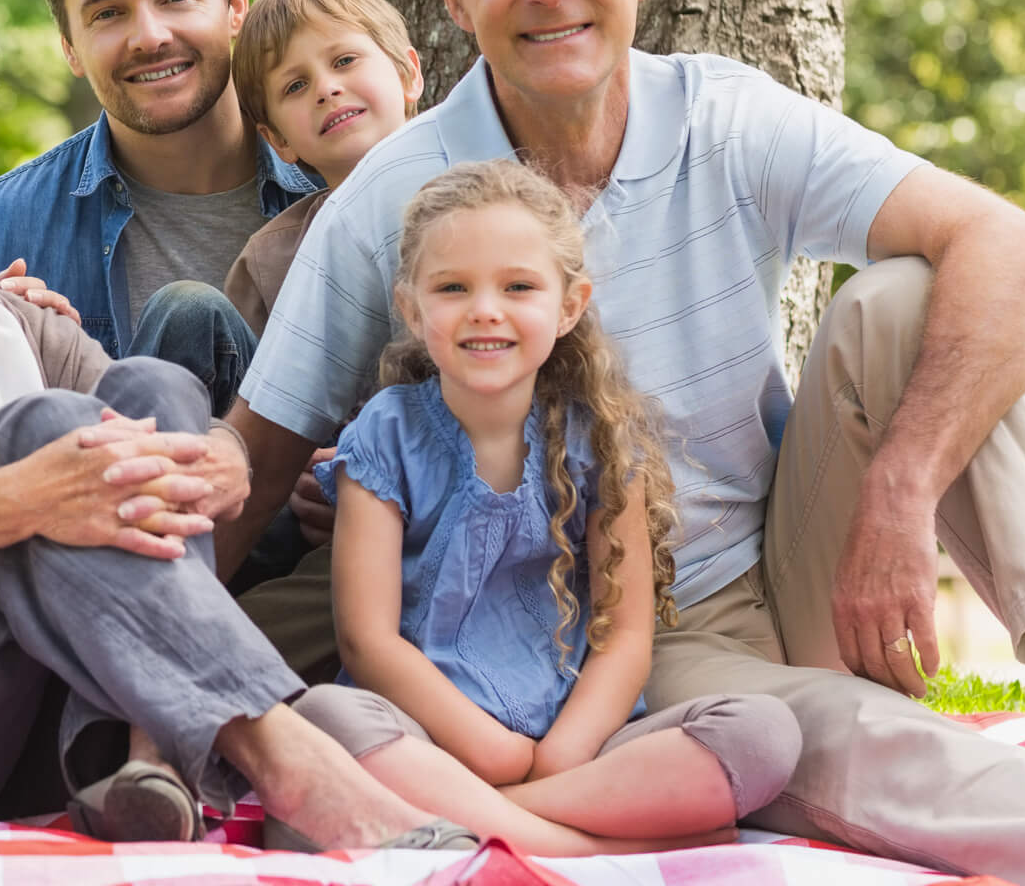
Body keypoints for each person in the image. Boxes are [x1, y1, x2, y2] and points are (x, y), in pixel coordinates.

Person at [222, 0, 1025, 886]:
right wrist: (157, 672)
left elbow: (1018, 249)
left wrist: (900, 495)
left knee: (929, 295)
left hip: (787, 553)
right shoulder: (391, 196)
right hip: (616, 635)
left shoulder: (726, 116)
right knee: (856, 744)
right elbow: (256, 455)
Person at [0, 0, 645, 855]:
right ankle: (280, 752)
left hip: (42, 739)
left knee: (150, 384)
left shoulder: (0, 312)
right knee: (47, 431)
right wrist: (25, 494)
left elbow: (171, 434)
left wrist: (291, 473)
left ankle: (153, 752)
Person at [304, 158, 798, 847]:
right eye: (452, 287)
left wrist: (558, 754)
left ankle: (490, 828)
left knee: (759, 735)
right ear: (412, 309)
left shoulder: (597, 437)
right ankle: (581, 848)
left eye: (517, 286)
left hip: (574, 742)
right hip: (430, 735)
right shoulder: (385, 434)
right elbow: (367, 638)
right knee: (328, 718)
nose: (484, 309)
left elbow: (625, 636)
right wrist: (490, 752)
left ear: (568, 305)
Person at [0, 0, 314, 416]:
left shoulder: (345, 184)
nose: (150, 37)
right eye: (109, 13)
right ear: (71, 49)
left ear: (235, 6)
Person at [220, 0, 423, 675]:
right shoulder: (271, 258)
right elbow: (259, 426)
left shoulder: (488, 198)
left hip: (476, 512)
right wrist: (308, 474)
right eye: (296, 86)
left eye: (343, 62)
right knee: (238, 647)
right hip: (337, 548)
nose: (327, 89)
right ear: (278, 140)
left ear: (408, 74)